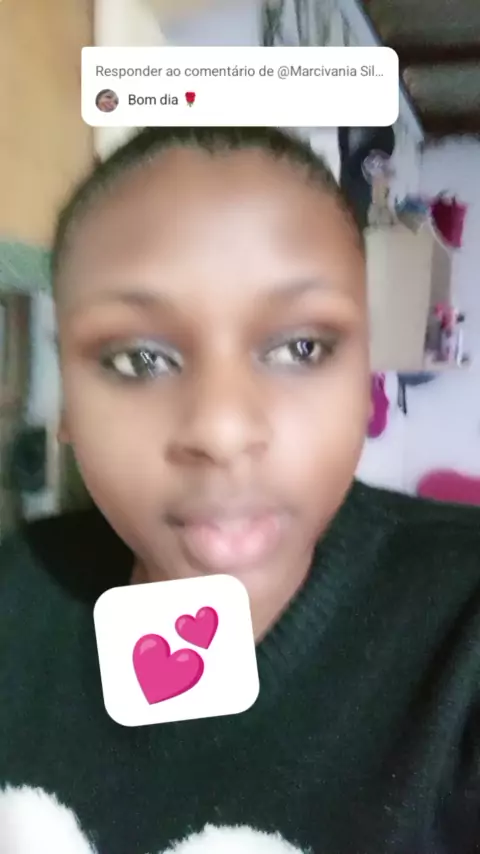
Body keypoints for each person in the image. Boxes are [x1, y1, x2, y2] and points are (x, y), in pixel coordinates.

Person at [0, 126, 480, 854]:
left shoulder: (462, 633)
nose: (222, 432)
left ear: (365, 383)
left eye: (300, 347)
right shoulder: (19, 590)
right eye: (138, 359)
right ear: (66, 392)